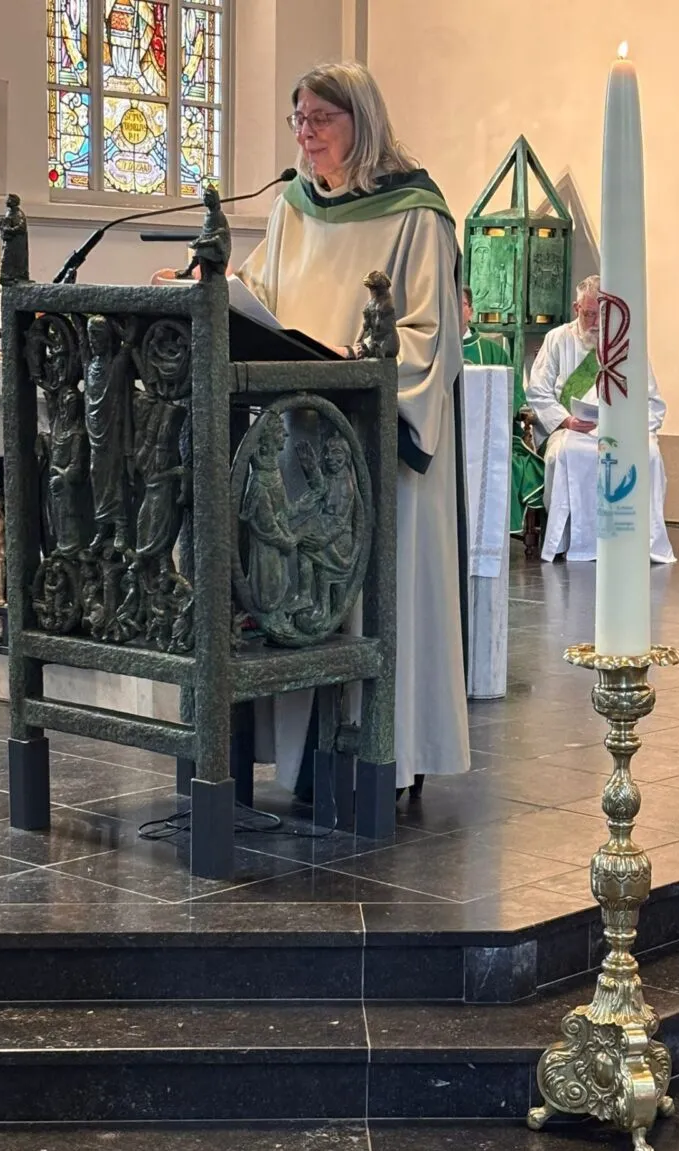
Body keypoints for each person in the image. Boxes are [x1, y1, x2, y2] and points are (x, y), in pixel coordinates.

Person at [235, 59, 471, 797]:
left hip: (370, 438)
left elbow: (431, 336)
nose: (305, 135)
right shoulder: (293, 207)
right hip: (296, 433)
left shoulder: (416, 213)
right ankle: (304, 762)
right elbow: (259, 291)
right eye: (298, 119)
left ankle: (380, 757)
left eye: (320, 119)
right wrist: (208, 286)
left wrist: (364, 362)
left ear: (360, 123)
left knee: (374, 593)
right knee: (302, 592)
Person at [526, 274, 675, 563]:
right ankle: (570, 540)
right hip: (572, 428)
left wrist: (630, 428)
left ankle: (641, 542)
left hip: (620, 431)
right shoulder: (557, 339)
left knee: (649, 453)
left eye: (601, 315)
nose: (595, 323)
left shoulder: (625, 344)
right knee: (565, 453)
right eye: (589, 314)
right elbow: (538, 391)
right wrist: (566, 421)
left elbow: (652, 401)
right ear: (576, 308)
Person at [461, 285, 544, 537]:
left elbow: (513, 396)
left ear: (470, 311)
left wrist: (518, 410)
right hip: (447, 440)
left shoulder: (493, 351)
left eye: (460, 304)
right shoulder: (434, 350)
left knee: (506, 466)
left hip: (490, 439)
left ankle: (491, 539)